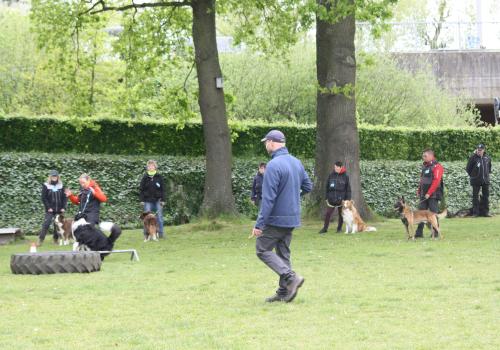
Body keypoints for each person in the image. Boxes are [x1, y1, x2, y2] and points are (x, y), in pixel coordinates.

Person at [252, 130, 313, 303]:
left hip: (276, 218)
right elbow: (308, 186)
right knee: (283, 254)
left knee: (262, 249)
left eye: (266, 142)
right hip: (292, 217)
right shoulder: (296, 162)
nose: (265, 145)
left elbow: (268, 199)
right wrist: (291, 196)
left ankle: (290, 277)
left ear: (272, 142)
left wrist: (259, 224)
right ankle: (284, 292)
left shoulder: (273, 165)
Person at [415, 149, 444, 238]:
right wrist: (419, 191)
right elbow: (422, 180)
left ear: (431, 156)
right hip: (424, 194)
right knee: (420, 214)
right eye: (423, 156)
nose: (423, 158)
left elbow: (436, 181)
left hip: (433, 195)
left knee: (433, 214)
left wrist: (429, 193)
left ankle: (435, 233)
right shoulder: (425, 166)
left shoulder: (437, 166)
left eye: (425, 156)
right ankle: (419, 233)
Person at [319, 161, 351, 234]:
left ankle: (339, 229)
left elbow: (348, 189)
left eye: (336, 167)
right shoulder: (331, 175)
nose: (335, 168)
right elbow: (327, 187)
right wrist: (326, 197)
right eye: (334, 167)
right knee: (328, 214)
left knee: (341, 215)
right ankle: (325, 228)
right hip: (331, 199)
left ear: (340, 167)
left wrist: (347, 199)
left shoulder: (345, 176)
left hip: (341, 199)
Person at [37, 170, 67, 246]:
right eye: (53, 176)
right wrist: (48, 207)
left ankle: (55, 239)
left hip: (59, 209)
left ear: (58, 177)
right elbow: (44, 198)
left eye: (55, 176)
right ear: (50, 177)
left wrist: (63, 207)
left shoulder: (61, 185)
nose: (54, 177)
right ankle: (40, 240)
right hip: (50, 209)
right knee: (46, 224)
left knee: (57, 225)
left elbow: (64, 197)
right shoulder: (46, 185)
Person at [139, 160, 166, 238]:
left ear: (155, 167)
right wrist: (142, 200)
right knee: (146, 219)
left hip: (158, 200)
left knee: (159, 218)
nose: (151, 167)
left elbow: (163, 189)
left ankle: (160, 234)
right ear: (147, 168)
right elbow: (141, 189)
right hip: (147, 201)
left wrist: (163, 200)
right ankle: (146, 234)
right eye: (149, 166)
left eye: (152, 166)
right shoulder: (145, 177)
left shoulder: (159, 177)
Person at [466, 143, 492, 217]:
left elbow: (489, 168)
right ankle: (475, 213)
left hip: (485, 180)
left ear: (483, 150)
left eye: (480, 150)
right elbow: (468, 169)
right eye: (478, 150)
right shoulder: (472, 158)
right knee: (475, 197)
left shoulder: (487, 158)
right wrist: (474, 176)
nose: (479, 151)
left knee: (486, 197)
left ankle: (485, 212)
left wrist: (486, 175)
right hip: (475, 180)